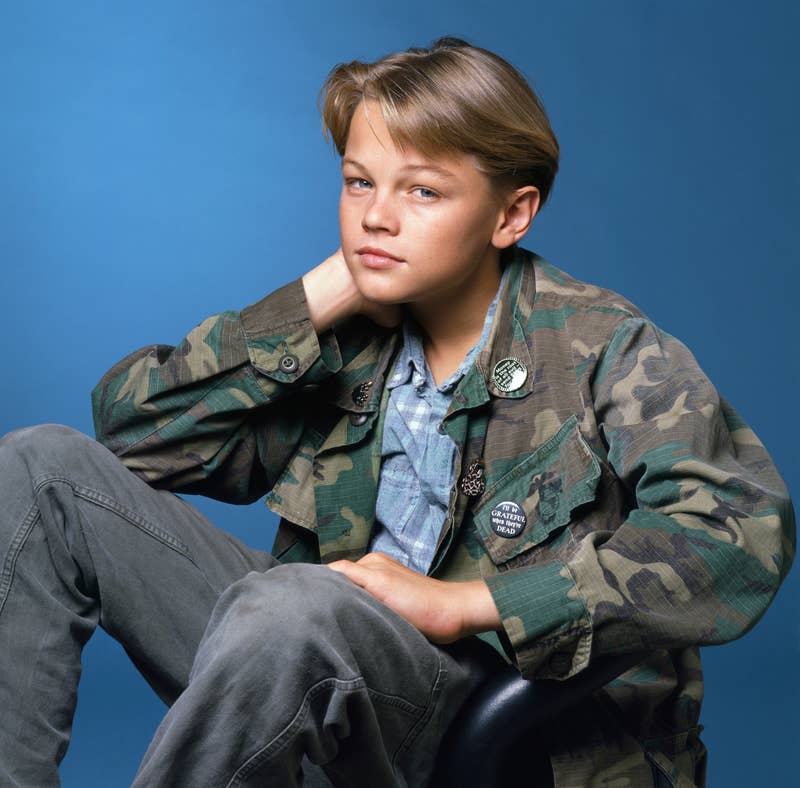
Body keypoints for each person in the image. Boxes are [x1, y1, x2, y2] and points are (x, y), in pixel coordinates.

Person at [0, 36, 794, 788]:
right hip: (316, 669)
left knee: (295, 601)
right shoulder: (349, 339)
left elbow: (740, 532)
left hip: (505, 725)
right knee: (41, 470)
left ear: (511, 215)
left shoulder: (604, 346)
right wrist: (318, 300)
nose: (377, 216)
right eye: (358, 182)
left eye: (421, 190)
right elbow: (135, 439)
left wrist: (466, 605)